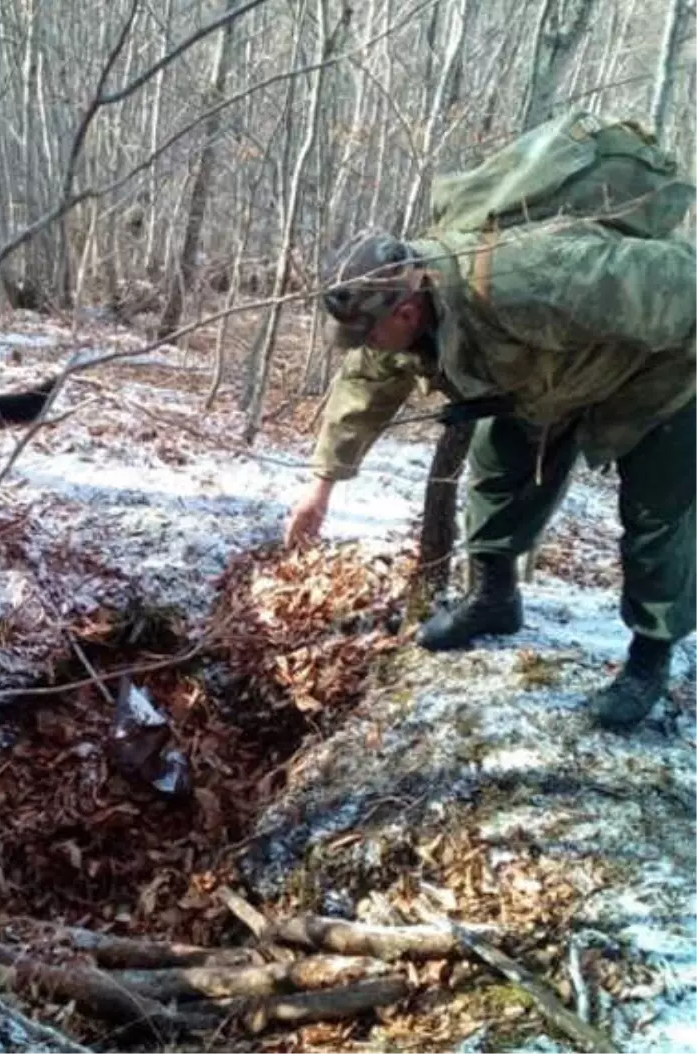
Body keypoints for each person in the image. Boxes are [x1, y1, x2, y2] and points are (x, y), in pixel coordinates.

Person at [285, 223, 697, 731]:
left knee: (656, 517)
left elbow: (672, 283)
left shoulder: (526, 278)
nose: (367, 345)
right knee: (496, 472)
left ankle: (649, 660)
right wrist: (321, 484)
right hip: (552, 383)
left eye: (368, 334)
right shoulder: (400, 310)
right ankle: (494, 598)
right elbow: (366, 382)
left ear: (406, 313)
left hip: (664, 374)